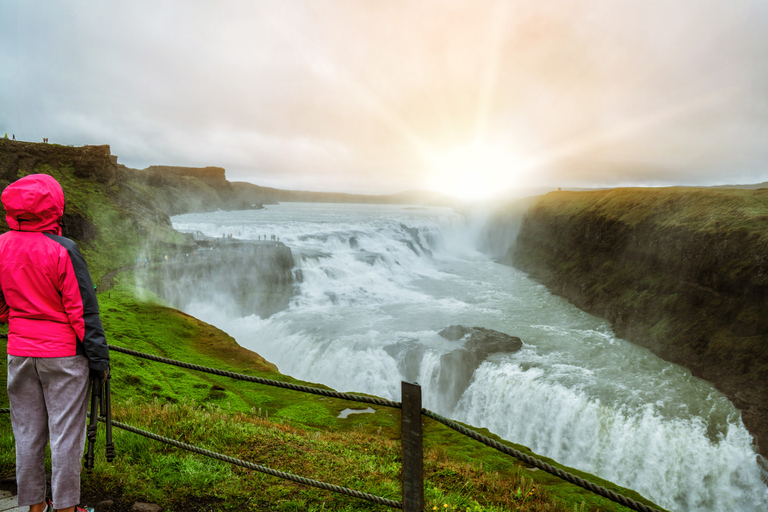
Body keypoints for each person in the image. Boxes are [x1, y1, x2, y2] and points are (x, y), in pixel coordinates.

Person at [0, 174, 110, 512]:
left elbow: (1, 303)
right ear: (54, 208)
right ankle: (65, 508)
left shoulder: (1, 245)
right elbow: (83, 311)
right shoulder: (64, 249)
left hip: (20, 351)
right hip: (63, 357)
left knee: (27, 434)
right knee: (65, 436)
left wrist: (21, 314)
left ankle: (34, 506)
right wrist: (99, 360)